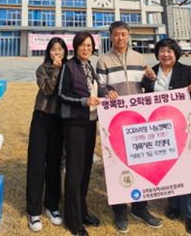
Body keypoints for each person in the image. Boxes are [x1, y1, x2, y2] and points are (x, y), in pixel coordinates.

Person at [96, 21, 162, 233]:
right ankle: (120, 211)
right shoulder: (103, 60)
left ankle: (140, 208)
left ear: (129, 35)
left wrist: (150, 78)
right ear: (110, 36)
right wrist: (106, 92)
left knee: (140, 163)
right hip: (115, 120)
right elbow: (99, 86)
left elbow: (145, 87)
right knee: (117, 164)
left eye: (123, 34)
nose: (120, 38)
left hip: (137, 121)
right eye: (116, 34)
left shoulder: (139, 58)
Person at [143, 38, 191, 234]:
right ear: (157, 54)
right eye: (162, 51)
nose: (165, 54)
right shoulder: (152, 72)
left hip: (185, 127)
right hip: (161, 129)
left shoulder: (186, 71)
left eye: (169, 51)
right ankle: (175, 204)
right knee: (170, 168)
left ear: (176, 53)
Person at [58, 32, 108, 236]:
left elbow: (95, 89)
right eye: (82, 45)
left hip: (90, 123)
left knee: (86, 169)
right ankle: (73, 220)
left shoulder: (89, 66)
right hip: (74, 125)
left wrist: (107, 92)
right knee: (74, 171)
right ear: (75, 46)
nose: (86, 48)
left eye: (89, 45)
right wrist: (83, 102)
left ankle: (82, 211)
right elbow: (62, 94)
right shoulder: (68, 67)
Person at [25, 37, 67, 232]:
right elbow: (48, 90)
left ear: (65, 51)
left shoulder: (69, 69)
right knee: (36, 163)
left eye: (60, 49)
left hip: (59, 120)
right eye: (53, 49)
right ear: (48, 52)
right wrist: (56, 70)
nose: (57, 52)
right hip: (42, 118)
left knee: (54, 163)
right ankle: (33, 211)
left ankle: (52, 205)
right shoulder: (42, 69)